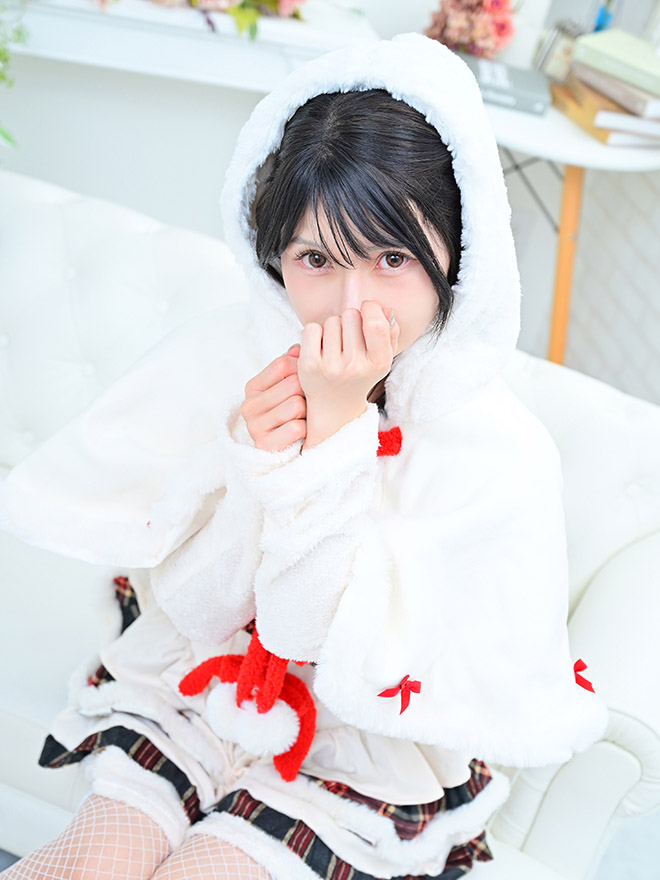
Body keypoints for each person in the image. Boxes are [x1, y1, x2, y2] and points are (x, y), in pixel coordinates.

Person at [0, 32, 608, 880]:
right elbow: (201, 611)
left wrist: (330, 435)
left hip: (360, 757)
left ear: (458, 256)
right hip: (197, 693)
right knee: (86, 862)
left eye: (392, 258)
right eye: (316, 259)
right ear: (273, 256)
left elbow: (302, 633)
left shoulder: (496, 451)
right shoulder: (235, 359)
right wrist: (257, 455)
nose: (352, 304)